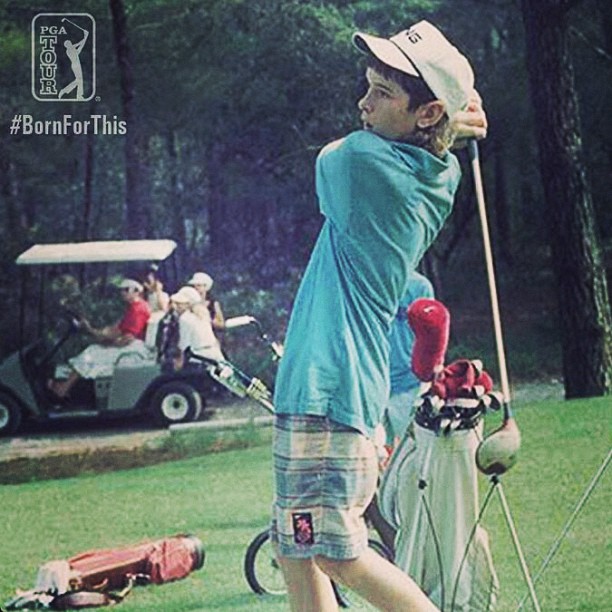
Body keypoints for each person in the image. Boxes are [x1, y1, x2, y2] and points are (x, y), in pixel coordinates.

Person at [270, 20, 487, 612]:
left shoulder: (366, 166)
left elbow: (330, 157)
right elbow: (430, 140)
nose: (363, 103)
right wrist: (451, 125)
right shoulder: (436, 169)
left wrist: (454, 120)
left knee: (337, 551)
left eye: (382, 92)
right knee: (297, 546)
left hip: (331, 387)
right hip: (325, 386)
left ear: (427, 112)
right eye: (367, 86)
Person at [48, 279, 151, 399]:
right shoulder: (133, 307)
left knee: (91, 353)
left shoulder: (138, 310)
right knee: (93, 348)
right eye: (122, 290)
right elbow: (117, 330)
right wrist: (94, 331)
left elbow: (127, 339)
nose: (122, 293)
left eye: (125, 290)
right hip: (127, 345)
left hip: (132, 349)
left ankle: (63, 388)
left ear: (136, 291)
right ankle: (71, 389)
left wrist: (107, 342)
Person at [382, 270, 435, 447]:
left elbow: (432, 336)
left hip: (409, 383)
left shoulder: (421, 286)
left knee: (413, 449)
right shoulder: (368, 281)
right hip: (373, 382)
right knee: (377, 454)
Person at [171, 286, 224, 364]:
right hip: (215, 353)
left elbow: (184, 344)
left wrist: (179, 360)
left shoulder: (185, 318)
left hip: (199, 356)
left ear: (188, 304)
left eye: (179, 304)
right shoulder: (203, 314)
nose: (175, 307)